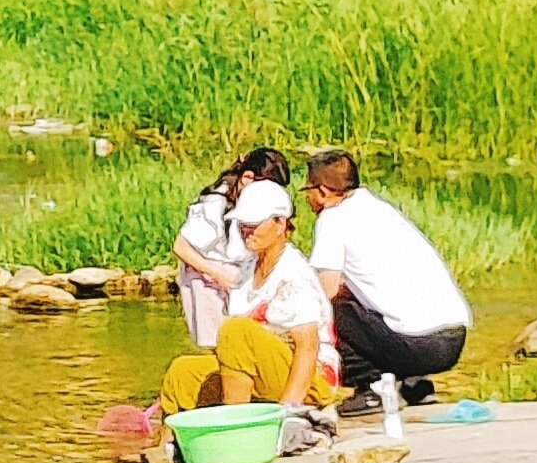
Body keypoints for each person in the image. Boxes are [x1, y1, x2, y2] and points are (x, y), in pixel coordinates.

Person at [305, 148, 471, 407]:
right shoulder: (380, 209)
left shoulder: (332, 218)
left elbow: (323, 291)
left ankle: (372, 387)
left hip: (418, 346)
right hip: (453, 339)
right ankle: (415, 384)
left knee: (327, 308)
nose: (308, 200)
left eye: (308, 191)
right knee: (368, 301)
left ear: (322, 191)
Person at [156, 183, 333, 418]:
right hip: (262, 372)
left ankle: (236, 426)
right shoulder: (246, 270)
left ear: (280, 224)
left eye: (253, 225)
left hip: (310, 381)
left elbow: (308, 348)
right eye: (242, 224)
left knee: (236, 330)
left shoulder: (294, 276)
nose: (245, 231)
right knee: (183, 372)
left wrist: (288, 411)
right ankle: (170, 445)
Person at [172, 146, 287, 349]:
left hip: (237, 278)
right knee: (221, 345)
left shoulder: (249, 203)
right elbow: (181, 247)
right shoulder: (214, 204)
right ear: (247, 178)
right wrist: (218, 275)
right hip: (209, 283)